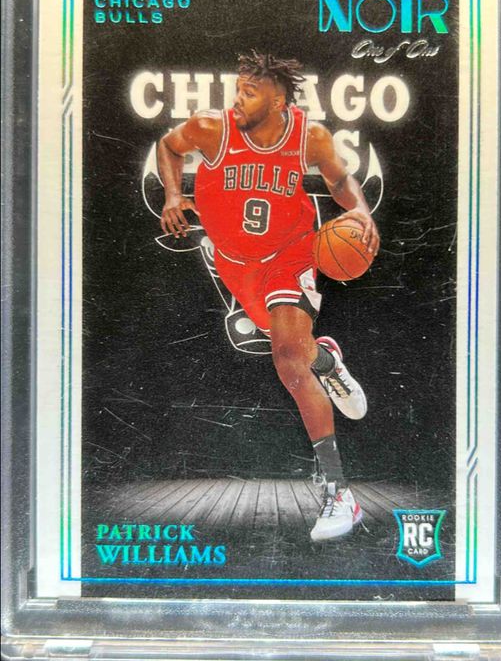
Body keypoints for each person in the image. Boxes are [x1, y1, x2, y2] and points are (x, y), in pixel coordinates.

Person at [157, 51, 380, 541]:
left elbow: (338, 179)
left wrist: (361, 210)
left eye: (250, 92)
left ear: (279, 101)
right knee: (298, 352)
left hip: (290, 253)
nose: (238, 99)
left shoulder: (309, 137)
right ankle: (327, 360)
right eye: (238, 89)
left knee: (288, 362)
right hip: (236, 265)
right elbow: (169, 147)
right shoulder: (210, 128)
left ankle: (339, 493)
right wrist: (173, 195)